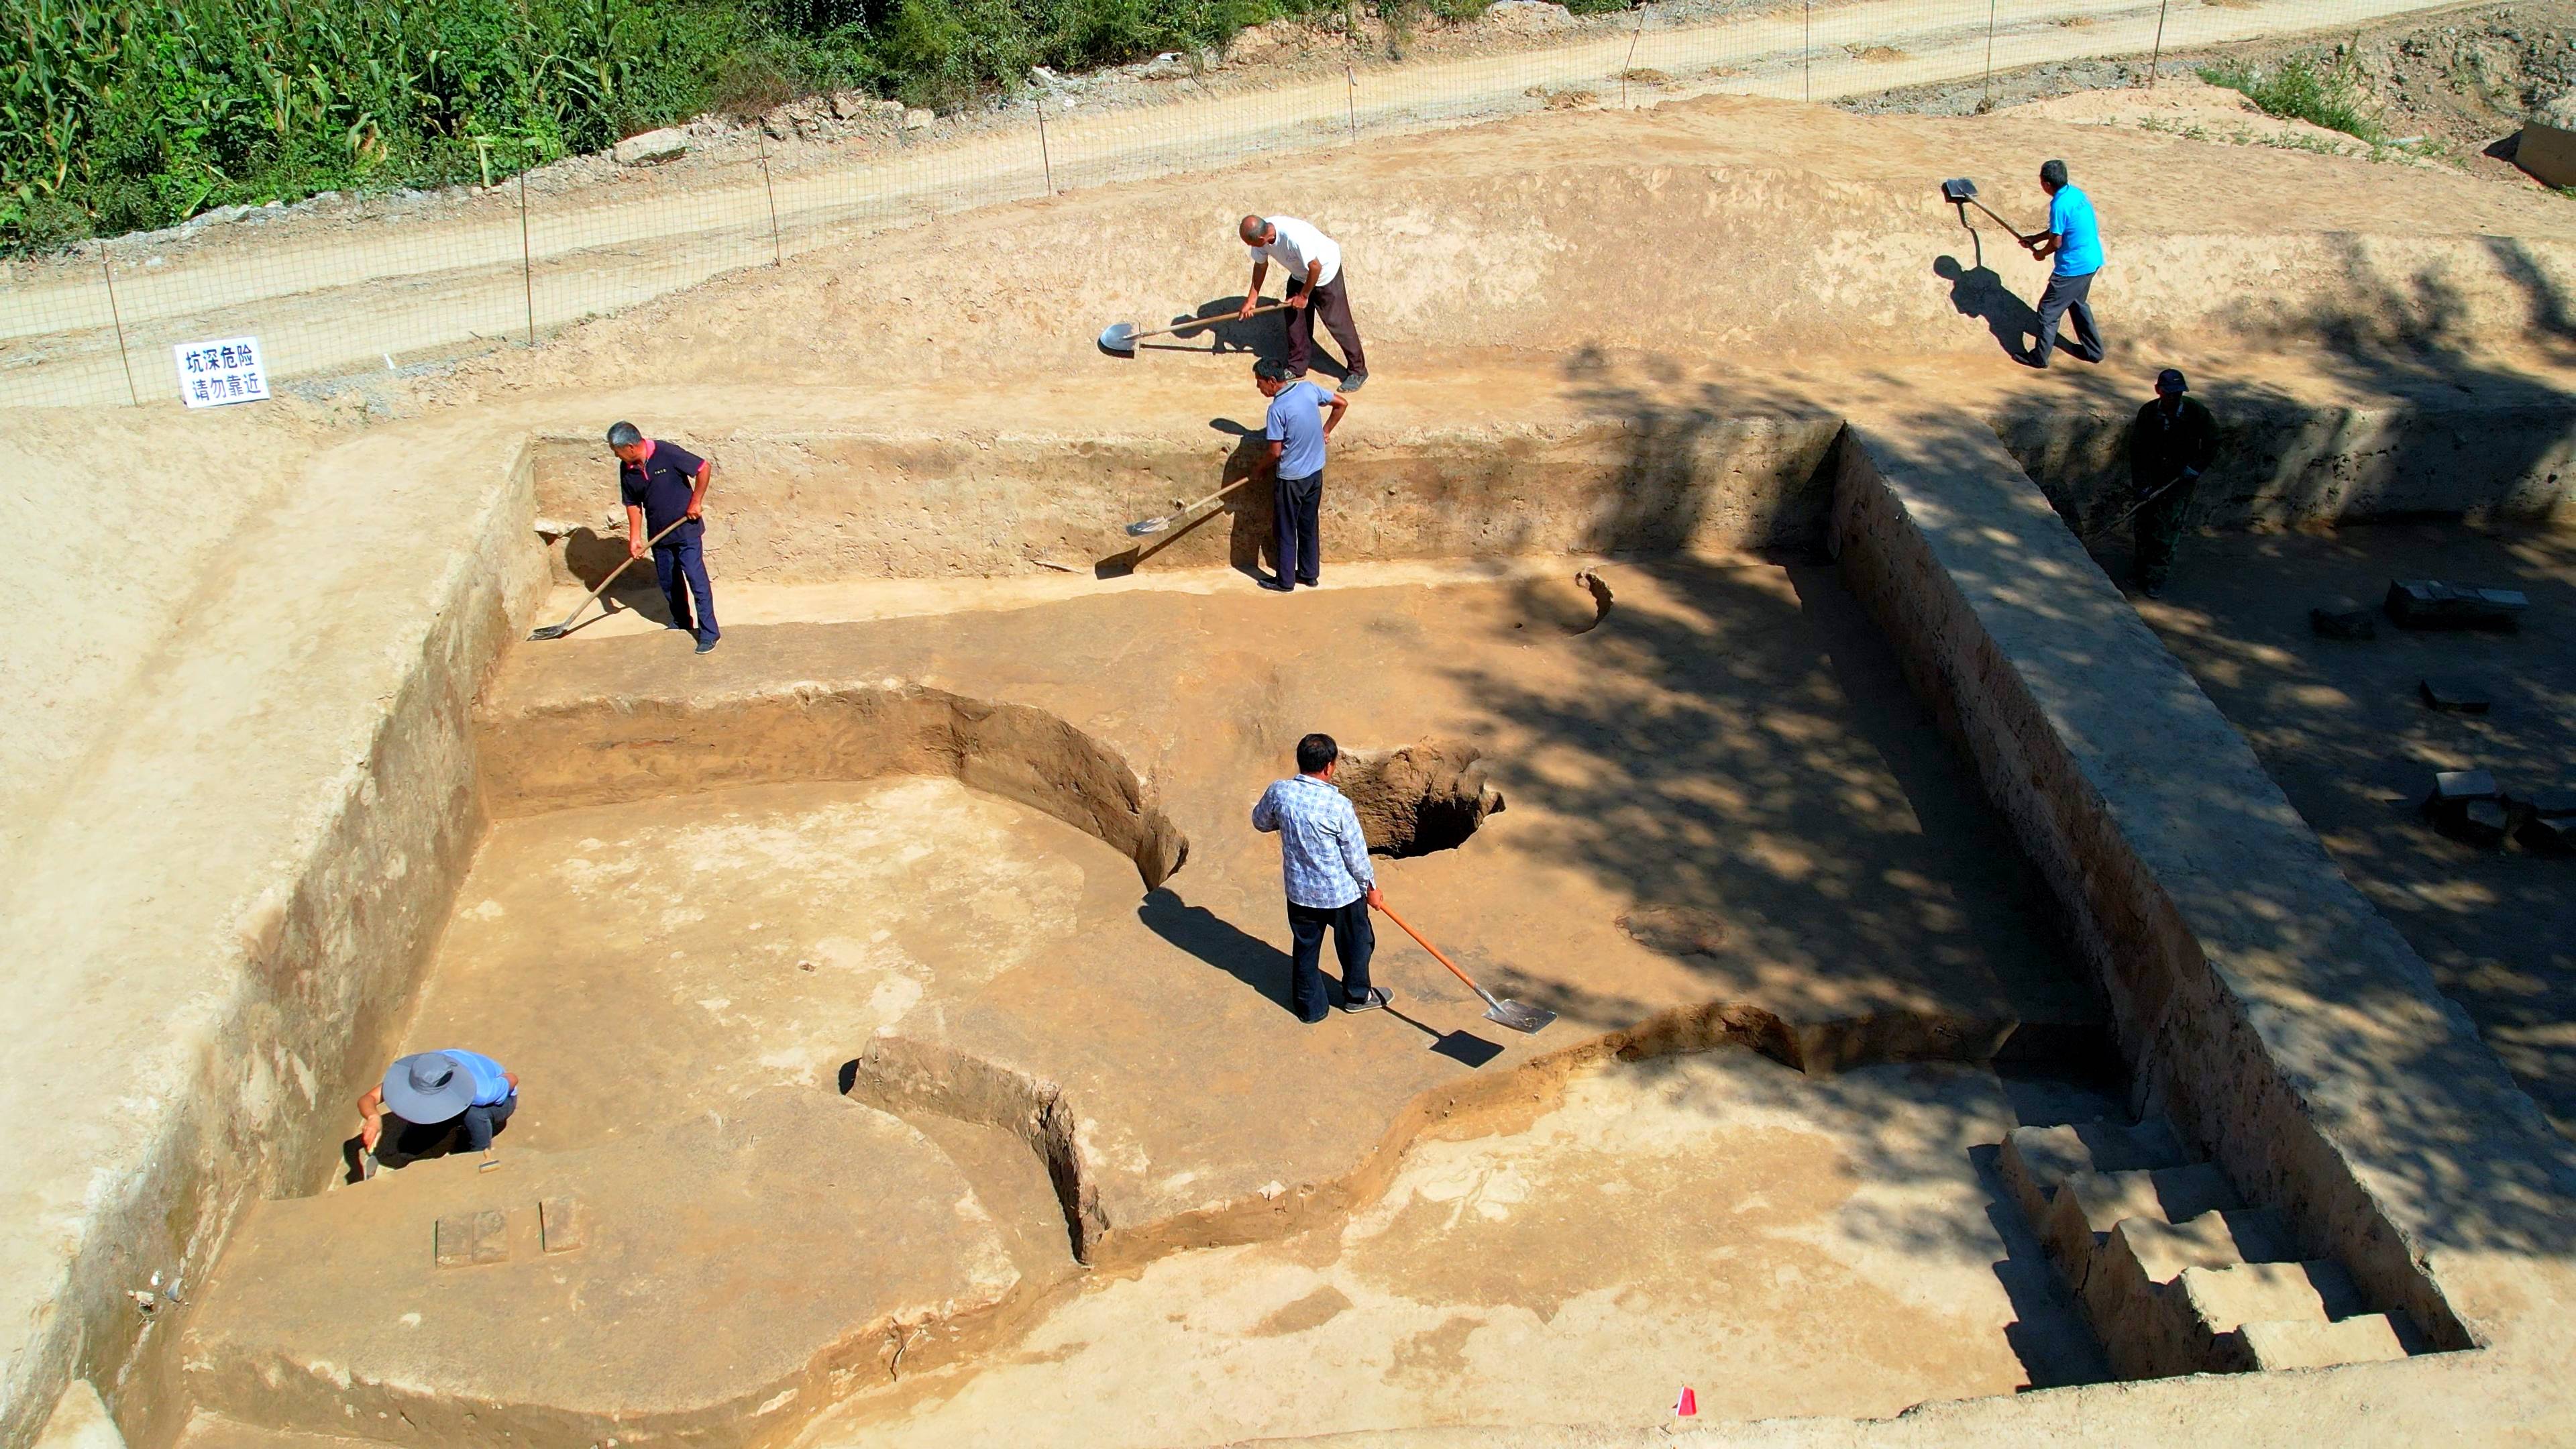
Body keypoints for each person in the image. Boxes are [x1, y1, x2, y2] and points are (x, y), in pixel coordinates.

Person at [1251, 733, 1391, 1023]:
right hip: (1341, 894)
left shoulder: (1280, 792)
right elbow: (1356, 856)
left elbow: (1260, 821)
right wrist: (1371, 888)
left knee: (1305, 948)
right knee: (1357, 943)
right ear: (1329, 767)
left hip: (1300, 893)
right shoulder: (1338, 806)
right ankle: (1357, 996)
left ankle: (1310, 1009)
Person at [608, 421, 719, 653]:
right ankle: (681, 622)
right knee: (669, 582)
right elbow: (632, 504)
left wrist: (696, 501)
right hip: (659, 535)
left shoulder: (667, 453)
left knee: (696, 580)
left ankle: (709, 632)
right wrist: (635, 537)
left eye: (616, 451)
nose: (616, 456)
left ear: (629, 446)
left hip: (686, 530)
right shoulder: (626, 468)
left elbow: (703, 468)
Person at [1235, 215, 1368, 392]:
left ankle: (1358, 371)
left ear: (1261, 239)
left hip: (1325, 271)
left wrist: (1304, 296)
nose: (1250, 247)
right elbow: (1260, 266)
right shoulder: (1261, 234)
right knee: (1294, 320)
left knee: (1337, 322)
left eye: (1250, 243)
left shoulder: (1294, 237)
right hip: (1301, 274)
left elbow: (1316, 267)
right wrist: (1252, 299)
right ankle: (1297, 367)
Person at [1253, 358, 1350, 592]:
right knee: (1308, 524)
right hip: (1315, 473)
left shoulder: (1277, 410)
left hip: (1291, 479)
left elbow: (1275, 452)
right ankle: (1309, 574)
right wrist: (1325, 430)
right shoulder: (1308, 388)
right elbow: (1342, 403)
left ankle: (1285, 581)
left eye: (1260, 383)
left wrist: (1258, 469)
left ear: (1273, 381)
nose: (1259, 388)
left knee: (1286, 529)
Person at [2128, 368, 2216, 598]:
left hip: (2178, 482)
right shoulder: (2148, 413)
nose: (2174, 398)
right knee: (2144, 527)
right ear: (2159, 391)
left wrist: (2196, 467)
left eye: (2178, 394)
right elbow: (2137, 451)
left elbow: (2212, 443)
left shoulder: (2196, 412)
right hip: (2152, 478)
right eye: (2169, 394)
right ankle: (2140, 571)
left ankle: (2156, 578)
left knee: (2166, 531)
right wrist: (2142, 484)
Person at [355, 1049, 519, 1172]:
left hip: (499, 1102)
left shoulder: (482, 1092)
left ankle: (478, 1153)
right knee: (408, 1146)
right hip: (454, 1097)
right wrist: (373, 1118)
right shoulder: (421, 1071)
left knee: (474, 1114)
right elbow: (368, 1099)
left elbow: (512, 1078)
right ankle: (452, 1125)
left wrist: (498, 1085)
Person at [2018, 159, 2106, 368]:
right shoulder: (2076, 194)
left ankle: (2039, 358)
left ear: (2046, 184)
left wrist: (2041, 254)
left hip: (2072, 269)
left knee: (2047, 312)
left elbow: (2056, 242)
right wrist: (2035, 239)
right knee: (2077, 304)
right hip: (2091, 261)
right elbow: (2063, 230)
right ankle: (2094, 352)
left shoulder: (2059, 204)